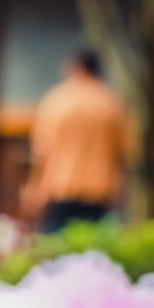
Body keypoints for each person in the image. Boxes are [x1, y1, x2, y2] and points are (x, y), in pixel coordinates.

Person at [21, 48, 130, 233]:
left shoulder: (58, 100)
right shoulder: (112, 102)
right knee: (94, 249)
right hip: (101, 188)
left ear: (76, 68)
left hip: (61, 185)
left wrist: (33, 185)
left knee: (56, 246)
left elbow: (42, 150)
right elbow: (126, 151)